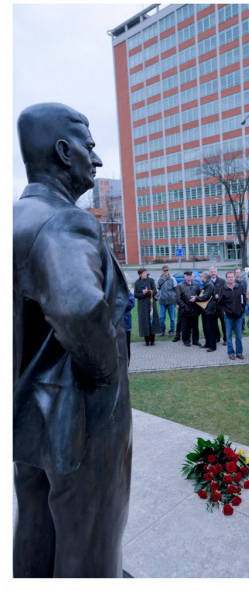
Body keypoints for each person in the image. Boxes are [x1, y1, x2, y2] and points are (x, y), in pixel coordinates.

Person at [13, 103, 132, 577]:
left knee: (36, 522)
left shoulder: (16, 217)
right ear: (65, 153)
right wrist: (106, 377)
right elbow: (79, 309)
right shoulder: (63, 221)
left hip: (29, 409)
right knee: (91, 530)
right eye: (90, 146)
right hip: (81, 416)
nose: (97, 160)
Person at [218, 271, 246, 360]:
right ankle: (231, 353)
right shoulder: (223, 289)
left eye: (232, 277)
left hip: (238, 315)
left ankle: (239, 352)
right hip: (228, 316)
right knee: (228, 335)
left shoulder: (240, 287)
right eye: (229, 277)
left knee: (238, 335)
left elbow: (243, 300)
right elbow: (220, 303)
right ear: (226, 278)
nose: (230, 278)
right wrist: (224, 311)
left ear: (234, 277)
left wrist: (241, 310)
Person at [134, 268, 161, 346]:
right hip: (142, 305)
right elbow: (136, 294)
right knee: (144, 321)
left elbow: (155, 291)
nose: (145, 274)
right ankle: (146, 340)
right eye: (144, 273)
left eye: (146, 272)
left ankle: (152, 340)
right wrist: (142, 293)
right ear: (140, 274)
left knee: (152, 320)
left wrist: (147, 292)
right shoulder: (137, 282)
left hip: (151, 303)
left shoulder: (151, 280)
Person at [175, 271, 202, 347]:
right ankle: (186, 340)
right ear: (184, 276)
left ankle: (195, 340)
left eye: (190, 275)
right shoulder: (180, 286)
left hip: (194, 309)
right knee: (185, 326)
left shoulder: (196, 285)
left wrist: (197, 303)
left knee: (195, 326)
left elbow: (199, 295)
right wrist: (184, 306)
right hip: (185, 309)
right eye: (187, 275)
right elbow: (178, 298)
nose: (189, 277)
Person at [193, 271, 217, 352]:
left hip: (209, 310)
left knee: (210, 328)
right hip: (205, 310)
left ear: (205, 277)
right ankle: (207, 343)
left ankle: (212, 346)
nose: (201, 277)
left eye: (202, 276)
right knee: (206, 328)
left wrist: (196, 298)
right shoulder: (207, 283)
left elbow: (205, 297)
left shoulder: (209, 284)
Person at [157, 264, 177, 336]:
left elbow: (176, 290)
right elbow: (158, 289)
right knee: (161, 317)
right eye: (164, 270)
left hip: (171, 301)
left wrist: (176, 301)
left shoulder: (172, 279)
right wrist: (157, 297)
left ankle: (172, 330)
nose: (166, 272)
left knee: (172, 318)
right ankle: (162, 330)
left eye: (167, 270)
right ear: (162, 271)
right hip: (162, 301)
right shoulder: (159, 279)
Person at [209, 266, 227, 346]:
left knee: (223, 323)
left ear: (217, 272)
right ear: (209, 272)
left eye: (214, 271)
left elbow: (226, 292)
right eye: (212, 272)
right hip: (212, 306)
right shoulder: (208, 281)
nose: (213, 273)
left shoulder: (222, 281)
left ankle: (226, 339)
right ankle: (217, 337)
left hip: (221, 306)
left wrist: (219, 296)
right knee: (214, 323)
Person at [124, 288, 135, 364]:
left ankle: (127, 362)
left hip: (126, 323)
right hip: (115, 324)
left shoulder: (128, 293)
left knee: (126, 344)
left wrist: (120, 303)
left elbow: (130, 305)